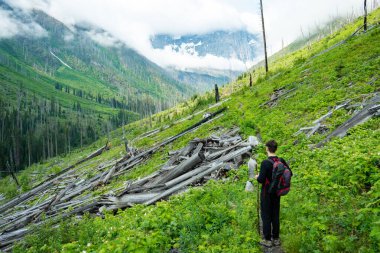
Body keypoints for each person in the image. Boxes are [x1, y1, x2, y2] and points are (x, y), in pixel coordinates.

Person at [254, 139, 291, 247]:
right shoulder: (281, 160)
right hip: (277, 192)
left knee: (266, 215)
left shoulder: (265, 163)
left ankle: (267, 240)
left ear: (267, 148)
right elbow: (290, 173)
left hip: (266, 193)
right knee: (275, 215)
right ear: (276, 149)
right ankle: (276, 239)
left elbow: (261, 180)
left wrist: (257, 177)